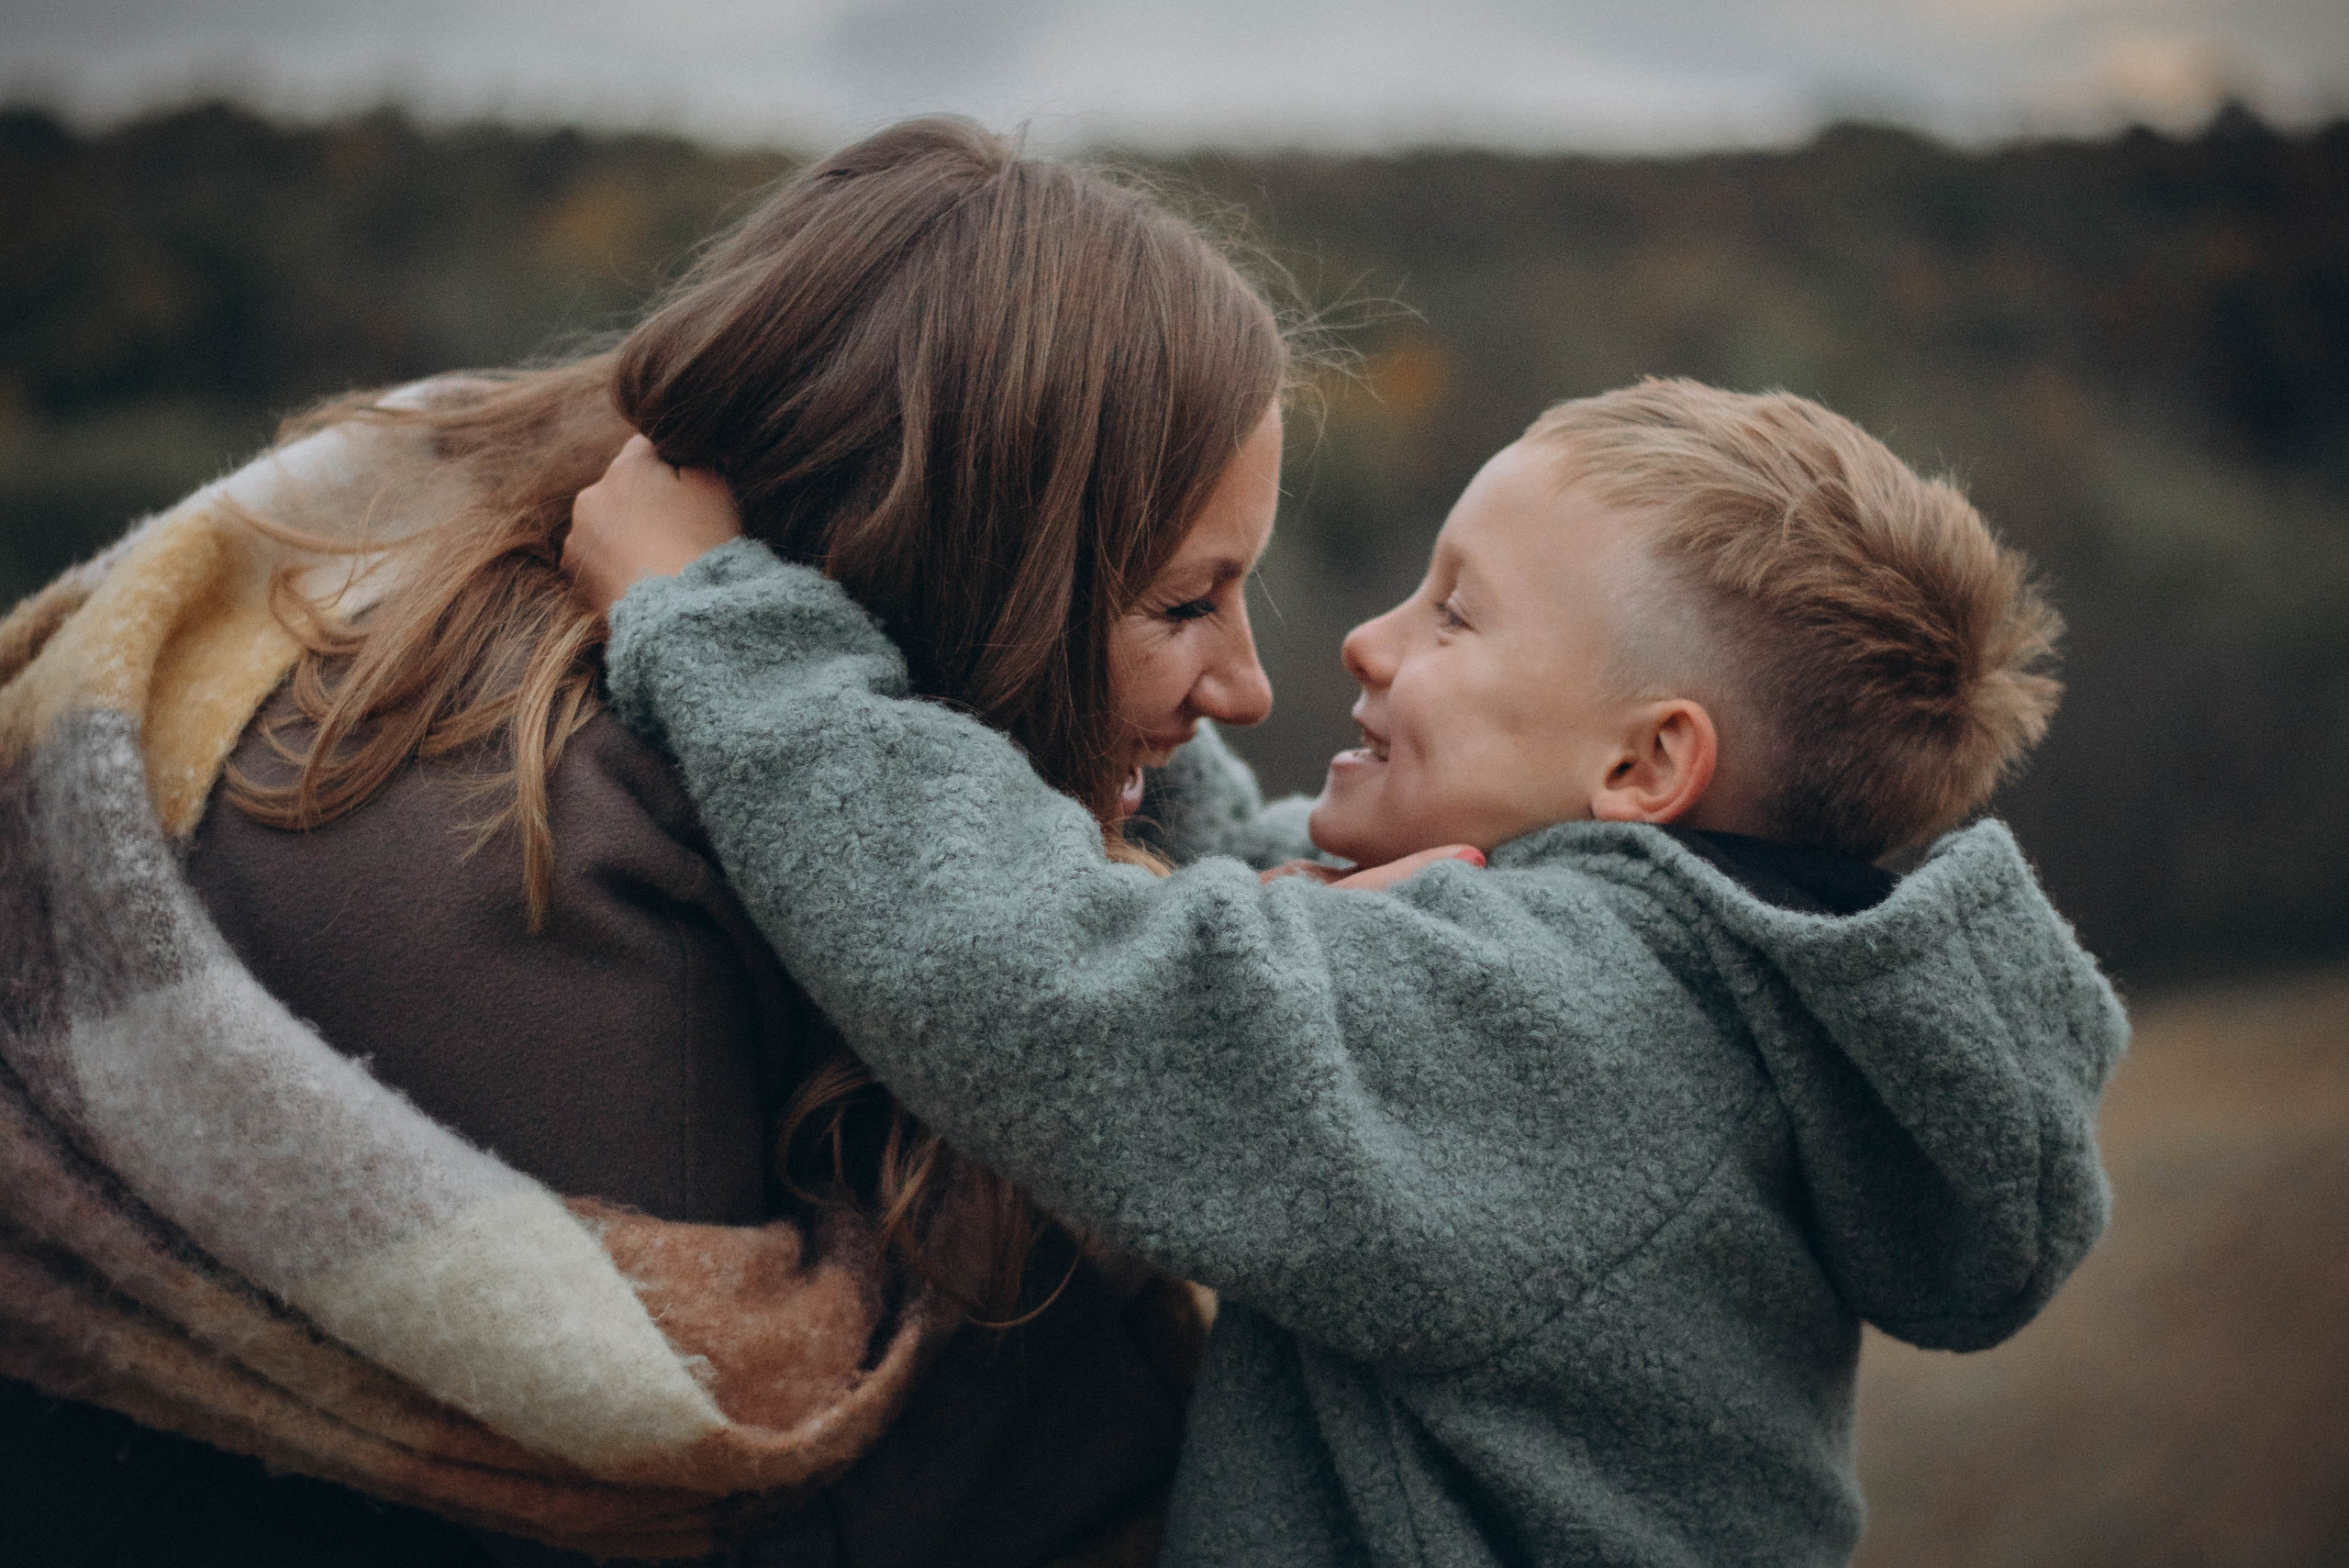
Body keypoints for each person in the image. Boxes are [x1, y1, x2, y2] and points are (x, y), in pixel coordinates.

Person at [0, 116, 1294, 1567]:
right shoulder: (574, 899)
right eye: (1184, 605)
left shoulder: (573, 530)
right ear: (941, 570)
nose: (1249, 687)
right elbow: (777, 1499)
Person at [562, 376, 2131, 1566]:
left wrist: (722, 628)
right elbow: (1249, 888)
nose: (1371, 640)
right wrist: (1106, 693)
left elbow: (1073, 982)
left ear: (1647, 765)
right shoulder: (1676, 974)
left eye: (1456, 611)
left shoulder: (1581, 1036)